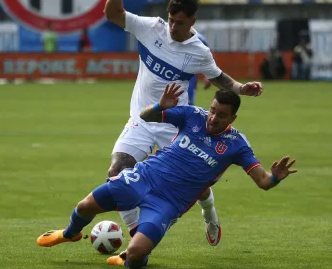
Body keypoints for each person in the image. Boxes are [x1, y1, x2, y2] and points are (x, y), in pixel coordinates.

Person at [36, 83, 298, 268]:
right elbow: (145, 115)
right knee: (85, 206)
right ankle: (70, 233)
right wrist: (160, 106)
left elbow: (263, 182)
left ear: (233, 117)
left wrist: (274, 177)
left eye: (221, 115)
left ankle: (130, 258)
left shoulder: (237, 144)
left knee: (138, 254)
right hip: (144, 177)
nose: (213, 118)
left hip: (168, 203)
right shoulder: (192, 115)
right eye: (213, 110)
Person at [103, 0, 263, 249]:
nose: (173, 28)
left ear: (192, 22)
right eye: (171, 21)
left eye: (179, 23)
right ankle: (136, 236)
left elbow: (219, 77)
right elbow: (113, 13)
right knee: (116, 171)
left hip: (176, 124)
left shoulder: (199, 51)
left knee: (196, 186)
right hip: (143, 119)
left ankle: (209, 214)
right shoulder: (151, 28)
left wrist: (242, 88)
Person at [187, 33, 212, 105]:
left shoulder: (198, 37)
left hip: (190, 75)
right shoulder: (169, 32)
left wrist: (208, 75)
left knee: (188, 104)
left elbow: (207, 55)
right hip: (169, 73)